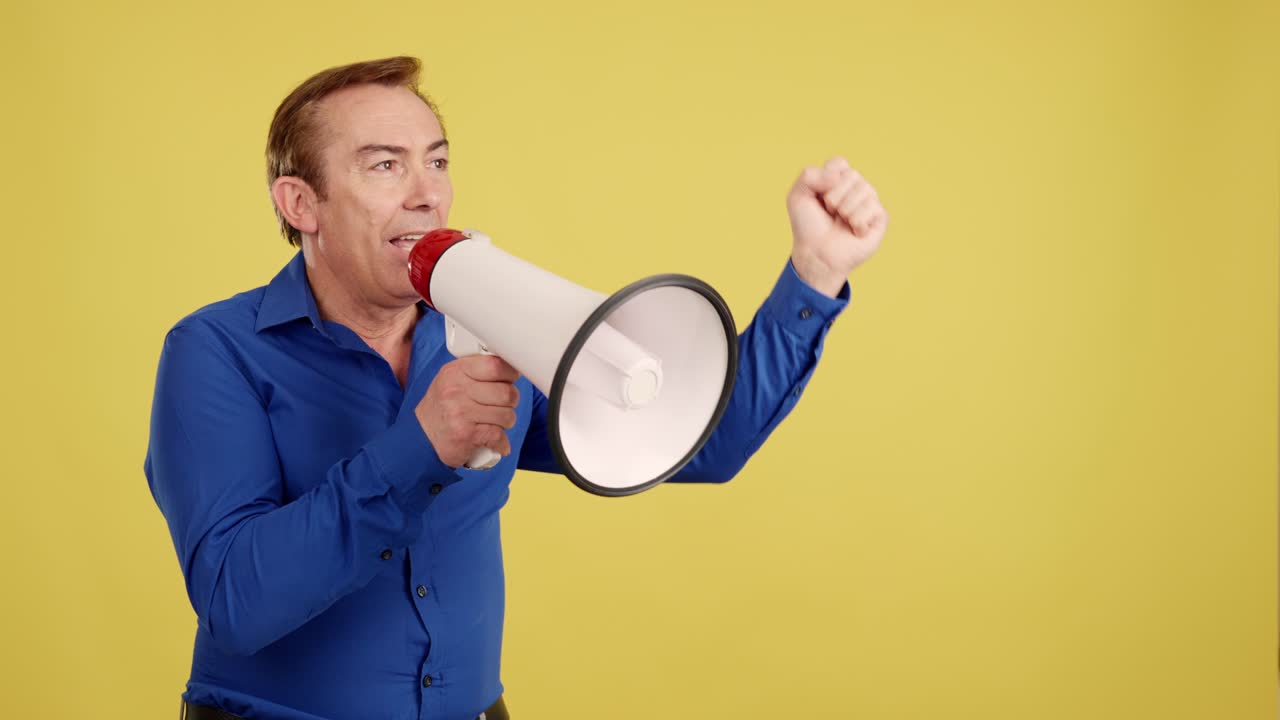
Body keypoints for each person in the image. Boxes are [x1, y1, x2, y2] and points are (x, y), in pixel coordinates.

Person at [145, 56, 888, 720]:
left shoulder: (490, 323)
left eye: (436, 162)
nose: (427, 195)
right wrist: (420, 447)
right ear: (300, 204)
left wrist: (816, 276)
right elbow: (235, 603)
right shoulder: (215, 351)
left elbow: (701, 440)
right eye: (384, 166)